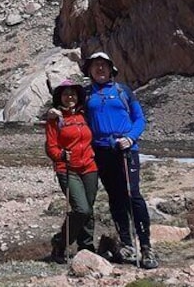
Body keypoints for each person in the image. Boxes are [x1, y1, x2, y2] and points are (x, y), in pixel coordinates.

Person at [80, 51, 158, 269]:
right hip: (101, 151)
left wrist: (130, 138)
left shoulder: (123, 91)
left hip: (126, 150)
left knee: (133, 195)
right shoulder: (86, 95)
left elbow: (139, 119)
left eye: (103, 65)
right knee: (115, 196)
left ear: (111, 69)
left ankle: (146, 246)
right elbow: (73, 116)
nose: (100, 69)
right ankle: (126, 243)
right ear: (90, 70)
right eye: (95, 65)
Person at [44, 79, 98, 263]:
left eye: (73, 94)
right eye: (66, 94)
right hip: (67, 168)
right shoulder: (55, 120)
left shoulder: (85, 115)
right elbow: (50, 147)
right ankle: (61, 242)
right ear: (60, 97)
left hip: (89, 167)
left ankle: (87, 246)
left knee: (89, 209)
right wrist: (60, 155)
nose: (70, 97)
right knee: (81, 209)